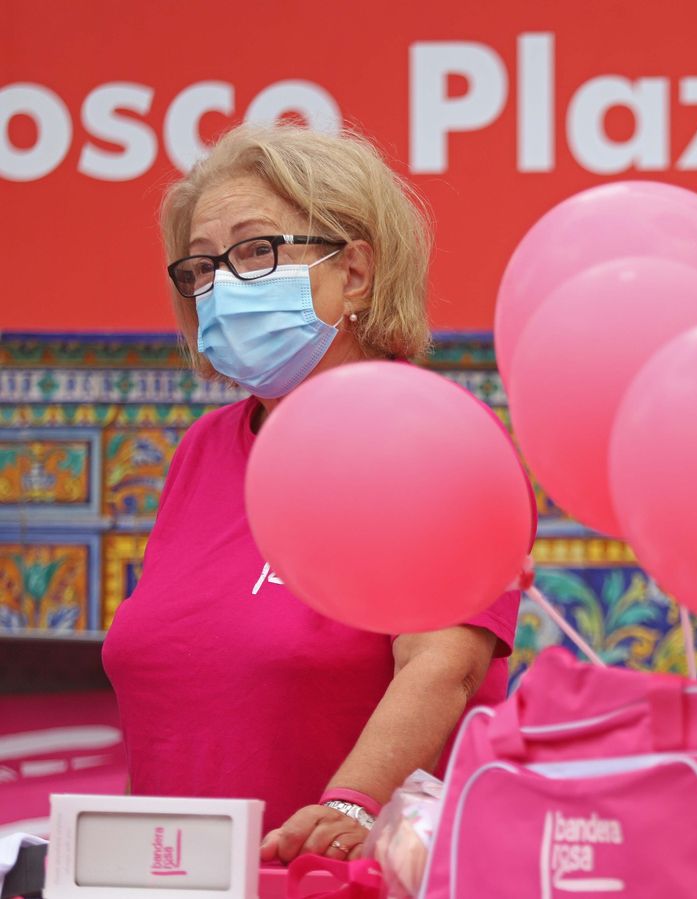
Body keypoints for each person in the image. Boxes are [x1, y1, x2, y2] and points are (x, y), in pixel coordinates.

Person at [101, 123, 523, 864]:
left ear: (354, 271)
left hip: (342, 874)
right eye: (200, 267)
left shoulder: (433, 436)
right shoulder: (201, 453)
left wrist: (348, 804)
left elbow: (442, 666)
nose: (220, 285)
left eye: (256, 250)